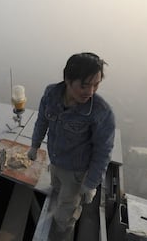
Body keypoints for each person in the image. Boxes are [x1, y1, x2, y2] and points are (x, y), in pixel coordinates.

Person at [27, 52, 115, 241]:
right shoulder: (51, 94)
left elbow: (103, 150)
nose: (90, 91)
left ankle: (62, 234)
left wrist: (91, 183)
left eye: (96, 84)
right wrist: (34, 145)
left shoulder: (100, 111)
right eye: (84, 85)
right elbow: (42, 121)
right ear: (67, 79)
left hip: (76, 171)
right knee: (56, 189)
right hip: (56, 160)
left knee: (65, 213)